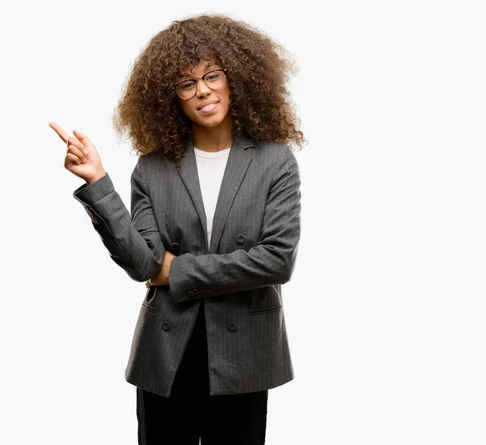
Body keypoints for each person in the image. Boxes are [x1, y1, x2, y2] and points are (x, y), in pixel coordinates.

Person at [49, 13, 304, 445]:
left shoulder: (275, 161)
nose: (202, 89)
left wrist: (178, 272)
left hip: (244, 356)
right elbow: (143, 263)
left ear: (236, 78)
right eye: (187, 83)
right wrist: (97, 181)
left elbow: (277, 260)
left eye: (212, 75)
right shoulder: (152, 168)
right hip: (166, 356)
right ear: (172, 98)